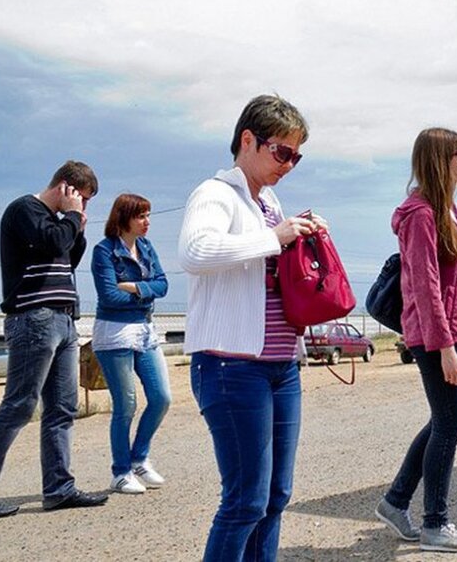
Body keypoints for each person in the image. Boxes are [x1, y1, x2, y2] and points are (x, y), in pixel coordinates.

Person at [178, 94, 324, 561]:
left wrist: (297, 231)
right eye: (282, 151)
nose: (289, 164)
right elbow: (195, 253)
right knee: (245, 502)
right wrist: (274, 237)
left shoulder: (269, 202)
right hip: (231, 365)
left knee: (275, 498)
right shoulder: (214, 194)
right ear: (248, 140)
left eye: (296, 156)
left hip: (281, 367)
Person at [0, 161, 107, 519]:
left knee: (62, 409)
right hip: (33, 318)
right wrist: (71, 219)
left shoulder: (60, 222)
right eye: (81, 199)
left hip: (64, 320)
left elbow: (66, 258)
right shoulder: (24, 209)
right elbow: (52, 240)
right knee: (19, 405)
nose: (83, 208)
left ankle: (59, 488)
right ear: (65, 188)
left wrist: (77, 228)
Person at [375, 128, 457, 552]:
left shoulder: (448, 211)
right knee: (449, 421)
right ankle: (435, 524)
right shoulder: (421, 215)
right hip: (432, 337)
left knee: (446, 419)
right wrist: (444, 346)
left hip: (454, 333)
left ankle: (395, 501)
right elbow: (423, 287)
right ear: (441, 161)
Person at [91, 193, 171, 495]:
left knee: (162, 398)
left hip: (145, 330)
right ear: (124, 218)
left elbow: (163, 285)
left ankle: (139, 458)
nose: (147, 222)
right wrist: (146, 293)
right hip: (114, 334)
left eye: (148, 215)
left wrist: (137, 287)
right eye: (141, 216)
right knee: (126, 404)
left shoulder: (146, 247)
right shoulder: (104, 251)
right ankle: (120, 471)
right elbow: (109, 296)